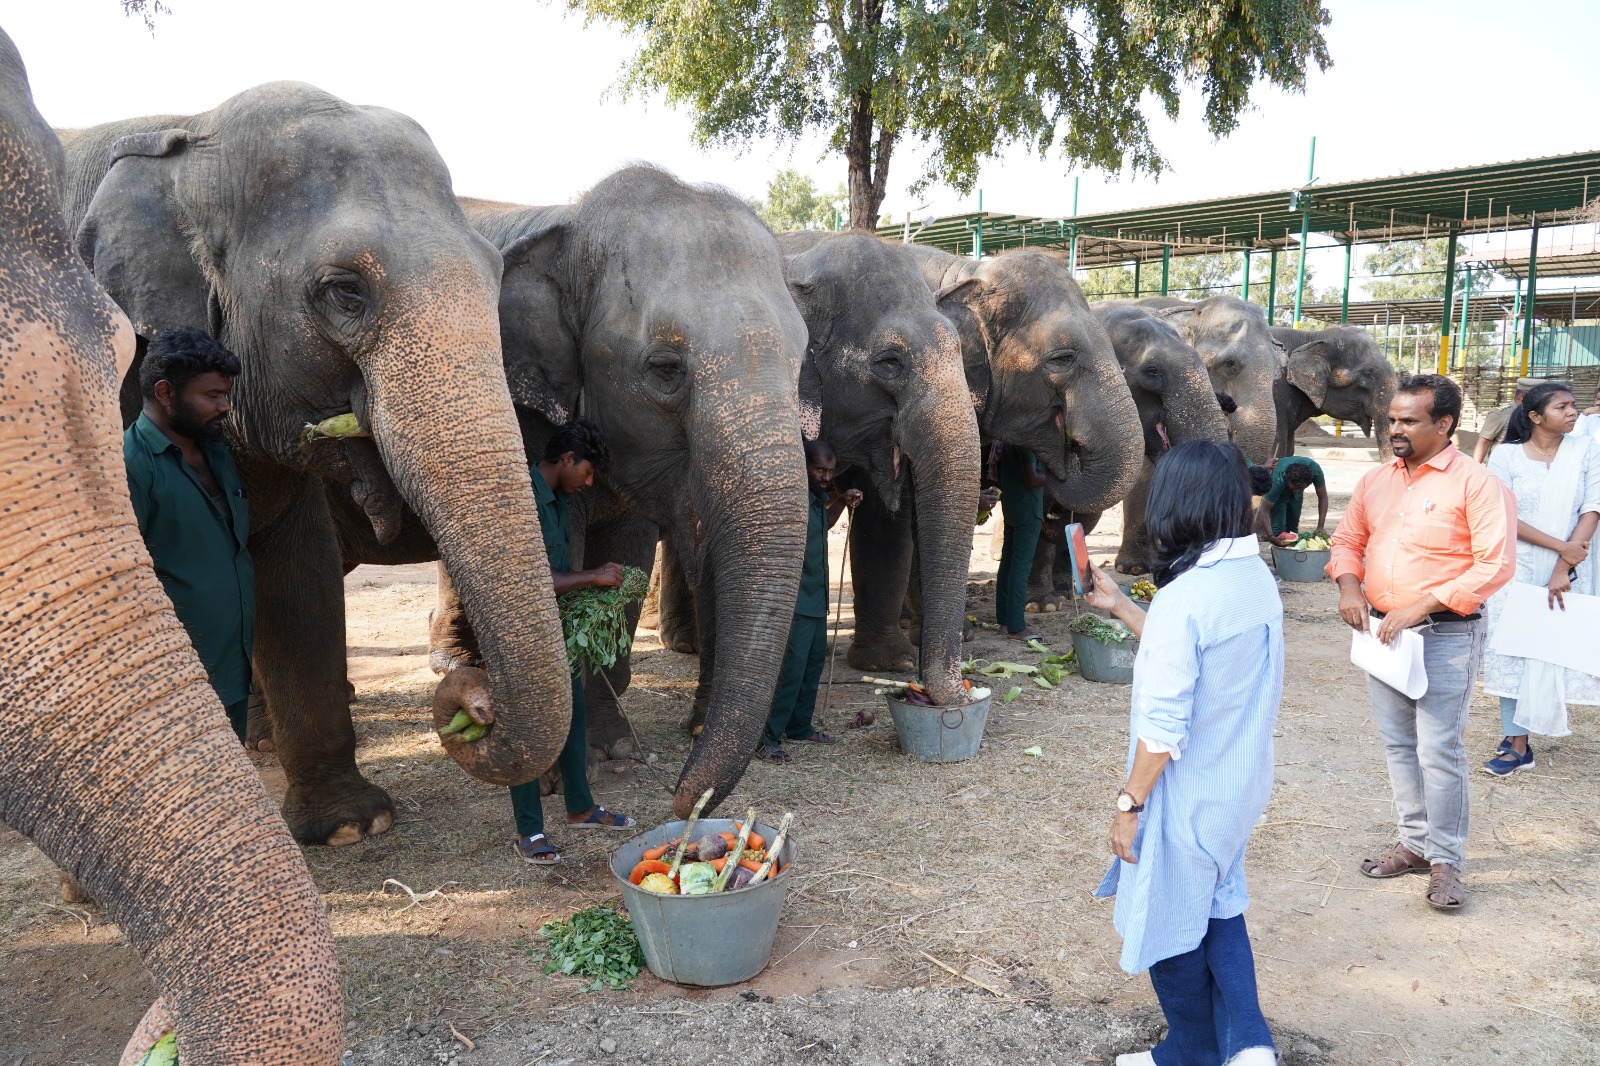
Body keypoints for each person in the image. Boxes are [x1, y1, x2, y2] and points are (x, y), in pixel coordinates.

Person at [1087, 439, 1283, 1066]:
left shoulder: (1186, 598)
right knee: (1220, 904)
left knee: (1169, 919)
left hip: (1186, 794)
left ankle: (1192, 1051)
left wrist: (1129, 801)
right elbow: (1201, 661)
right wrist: (1122, 606)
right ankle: (1251, 1046)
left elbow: (1165, 723)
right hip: (1237, 784)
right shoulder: (1252, 577)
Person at [1328, 373, 1513, 911]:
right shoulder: (1375, 481)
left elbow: (1495, 565)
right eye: (1392, 419)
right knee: (1398, 745)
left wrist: (1421, 604)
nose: (1395, 430)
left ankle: (1446, 860)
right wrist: (1347, 586)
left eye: (1409, 420)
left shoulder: (1475, 483)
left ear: (1444, 424)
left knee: (1439, 749)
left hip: (1445, 634)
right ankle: (1412, 843)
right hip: (1381, 635)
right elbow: (1347, 540)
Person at [511, 418, 636, 864]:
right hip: (521, 629)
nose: (588, 482)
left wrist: (589, 580)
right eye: (587, 472)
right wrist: (593, 577)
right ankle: (528, 831)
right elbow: (530, 579)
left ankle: (581, 808)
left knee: (573, 711)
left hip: (556, 625)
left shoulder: (560, 499)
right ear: (568, 459)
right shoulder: (522, 494)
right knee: (529, 725)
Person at [123, 327, 254, 743]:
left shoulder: (218, 454)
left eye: (226, 394)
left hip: (231, 668)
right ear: (165, 393)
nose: (226, 406)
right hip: (173, 683)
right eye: (212, 396)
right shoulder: (130, 465)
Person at [1480, 382, 1600, 776]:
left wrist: (1564, 565)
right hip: (1517, 568)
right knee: (1513, 649)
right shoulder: (1507, 456)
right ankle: (1518, 745)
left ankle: (1530, 727)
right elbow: (1504, 516)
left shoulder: (1586, 450)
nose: (1573, 412)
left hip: (1572, 569)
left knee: (1558, 649)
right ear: (1534, 416)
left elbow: (1593, 506)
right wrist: (1558, 549)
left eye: (1573, 405)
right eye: (1562, 407)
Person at [758, 439, 862, 763]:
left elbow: (823, 525)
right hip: (797, 601)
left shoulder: (817, 499)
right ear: (803, 466)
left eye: (830, 471)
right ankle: (767, 738)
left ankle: (800, 725)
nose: (825, 476)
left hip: (817, 599)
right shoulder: (792, 499)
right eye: (819, 469)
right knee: (791, 670)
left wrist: (842, 503)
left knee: (814, 665)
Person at [989, 440, 1047, 641]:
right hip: (1028, 510)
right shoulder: (1025, 444)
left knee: (1008, 563)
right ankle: (1016, 627)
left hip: (1012, 508)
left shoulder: (1005, 442)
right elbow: (1032, 479)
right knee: (1021, 567)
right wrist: (1056, 478)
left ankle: (1005, 621)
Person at [1250, 456, 1328, 542]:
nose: (1295, 491)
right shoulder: (1277, 481)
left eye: (1299, 488)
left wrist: (1320, 526)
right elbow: (1263, 510)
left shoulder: (1315, 471)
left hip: (1298, 490)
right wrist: (1271, 536)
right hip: (1281, 493)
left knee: (1293, 528)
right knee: (1278, 530)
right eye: (1293, 488)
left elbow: (1323, 497)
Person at [1472, 378, 1539, 463]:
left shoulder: (1538, 415)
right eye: (1535, 397)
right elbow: (1484, 443)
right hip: (1501, 467)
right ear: (1521, 396)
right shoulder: (1501, 414)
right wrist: (1476, 470)